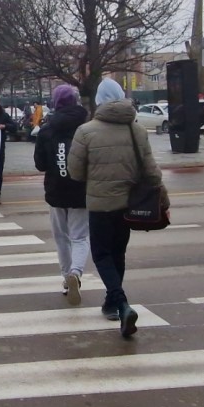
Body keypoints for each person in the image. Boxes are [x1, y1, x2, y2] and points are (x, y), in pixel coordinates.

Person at [68, 78, 168, 339]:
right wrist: (162, 196)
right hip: (128, 204)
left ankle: (121, 303)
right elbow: (151, 170)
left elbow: (75, 172)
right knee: (118, 253)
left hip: (100, 204)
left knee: (101, 255)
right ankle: (112, 304)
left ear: (99, 101)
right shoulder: (137, 130)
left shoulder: (85, 131)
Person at [33, 85, 89, 306]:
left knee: (61, 238)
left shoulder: (47, 129)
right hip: (80, 190)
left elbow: (40, 165)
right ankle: (76, 272)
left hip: (56, 190)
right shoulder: (86, 127)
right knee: (80, 237)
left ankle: (67, 278)